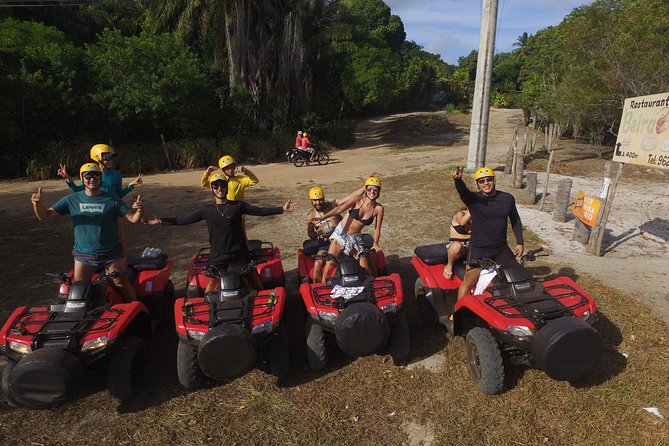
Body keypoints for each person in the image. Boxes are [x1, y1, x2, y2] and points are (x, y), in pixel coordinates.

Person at [146, 173, 298, 291]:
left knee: (254, 279)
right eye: (216, 186)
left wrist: (282, 209)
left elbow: (260, 211)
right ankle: (206, 310)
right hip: (218, 255)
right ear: (212, 188)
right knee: (212, 283)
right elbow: (183, 220)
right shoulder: (207, 210)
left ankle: (263, 303)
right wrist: (160, 221)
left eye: (222, 186)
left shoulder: (238, 206)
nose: (220, 189)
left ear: (227, 187)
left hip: (239, 253)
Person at [31, 163, 144, 302]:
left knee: (121, 283)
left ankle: (138, 310)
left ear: (101, 177)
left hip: (111, 253)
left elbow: (133, 219)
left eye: (96, 175)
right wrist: (37, 204)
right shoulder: (71, 199)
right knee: (80, 287)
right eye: (88, 176)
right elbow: (45, 216)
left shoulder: (112, 199)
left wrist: (139, 211)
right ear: (82, 178)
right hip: (83, 255)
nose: (92, 179)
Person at [58, 143, 144, 256]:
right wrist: (68, 178)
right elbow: (77, 190)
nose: (111, 160)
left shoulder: (116, 175)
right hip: (96, 209)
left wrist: (131, 186)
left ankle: (123, 259)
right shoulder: (92, 175)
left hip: (112, 209)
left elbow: (119, 195)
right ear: (97, 158)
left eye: (113, 157)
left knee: (121, 235)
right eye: (107, 158)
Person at [453, 166, 524, 299]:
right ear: (478, 184)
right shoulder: (473, 199)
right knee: (469, 281)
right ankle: (458, 313)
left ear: (494, 180)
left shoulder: (507, 199)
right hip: (480, 248)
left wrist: (520, 242)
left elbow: (515, 219)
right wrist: (458, 180)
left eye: (489, 179)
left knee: (517, 277)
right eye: (482, 181)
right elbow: (463, 191)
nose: (486, 183)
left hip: (501, 248)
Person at [314, 176, 384, 282]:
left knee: (366, 268)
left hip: (355, 238)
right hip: (341, 234)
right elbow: (339, 209)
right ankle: (324, 290)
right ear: (365, 189)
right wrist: (323, 217)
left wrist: (376, 243)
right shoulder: (357, 200)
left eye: (375, 189)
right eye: (369, 189)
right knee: (330, 264)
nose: (372, 192)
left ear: (379, 191)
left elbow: (377, 228)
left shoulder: (379, 209)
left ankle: (371, 291)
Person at [443, 206, 472, 280]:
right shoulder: (460, 213)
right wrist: (471, 212)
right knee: (457, 246)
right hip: (456, 245)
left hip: (470, 245)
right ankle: (449, 265)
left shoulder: (478, 216)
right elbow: (462, 222)